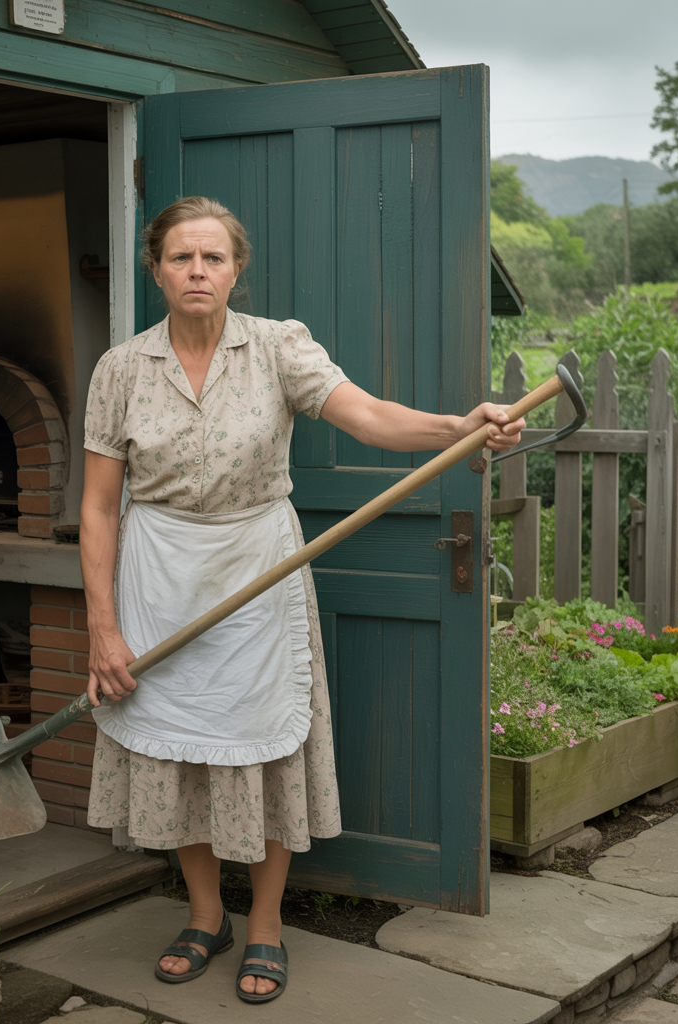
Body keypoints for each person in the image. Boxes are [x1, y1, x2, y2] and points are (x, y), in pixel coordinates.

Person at [79, 197, 524, 1004]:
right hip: (157, 581)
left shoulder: (278, 348)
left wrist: (457, 426)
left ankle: (267, 924)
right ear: (155, 270)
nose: (198, 272)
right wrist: (102, 628)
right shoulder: (121, 370)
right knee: (179, 753)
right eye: (181, 258)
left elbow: (368, 416)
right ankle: (206, 914)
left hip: (258, 574)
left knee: (264, 746)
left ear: (237, 269)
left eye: (213, 258)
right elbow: (99, 508)